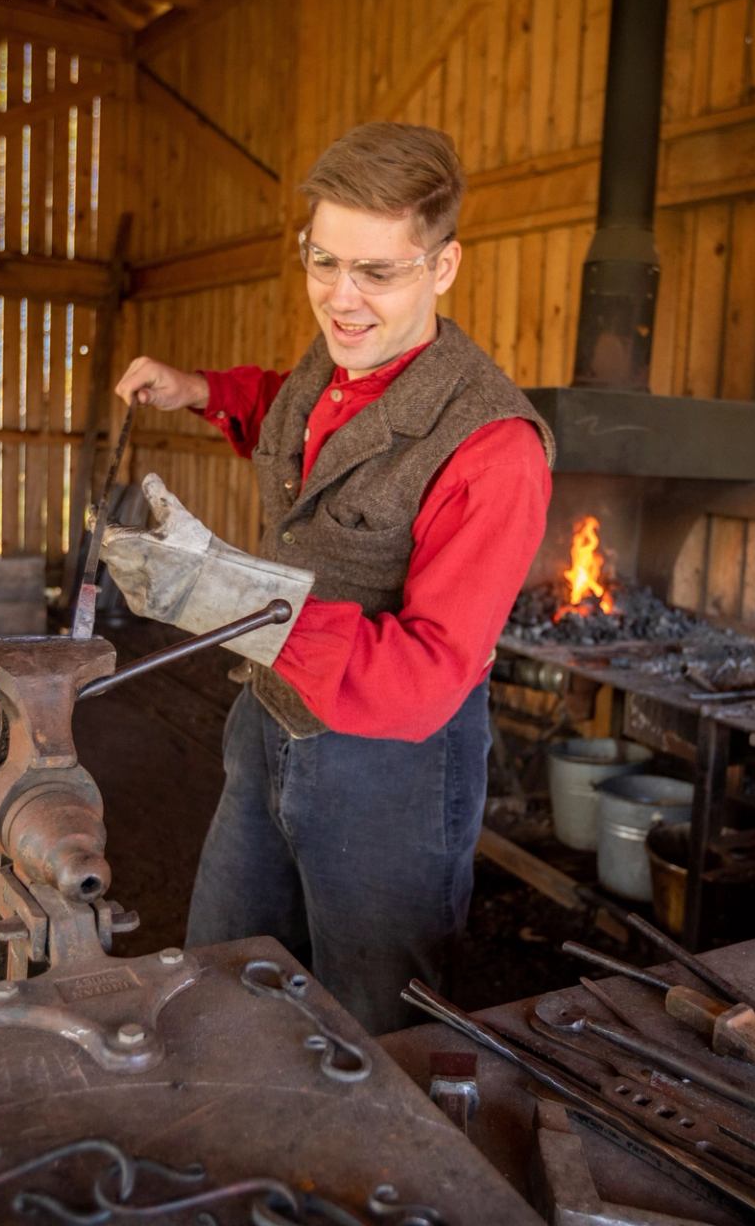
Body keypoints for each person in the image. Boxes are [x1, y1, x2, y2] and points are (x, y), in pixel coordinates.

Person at [102, 122, 554, 1032]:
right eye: (322, 262)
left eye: (376, 273)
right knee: (218, 975)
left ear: (444, 265)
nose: (341, 300)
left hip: (391, 772)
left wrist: (240, 604)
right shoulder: (343, 356)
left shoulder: (493, 450)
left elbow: (428, 675)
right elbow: (295, 410)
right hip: (267, 720)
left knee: (378, 1020)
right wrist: (202, 391)